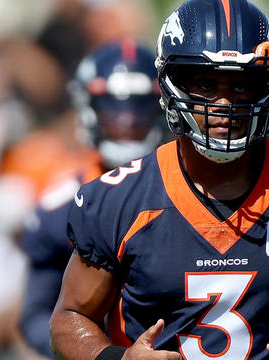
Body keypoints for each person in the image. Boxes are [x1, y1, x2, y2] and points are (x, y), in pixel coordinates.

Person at [49, 1, 269, 360]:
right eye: (206, 84)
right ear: (172, 85)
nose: (224, 102)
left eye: (242, 85)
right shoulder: (119, 201)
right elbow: (70, 317)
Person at [19, 39, 165, 358]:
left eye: (139, 109)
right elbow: (36, 316)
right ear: (87, 110)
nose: (127, 122)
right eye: (114, 109)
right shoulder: (56, 209)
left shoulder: (192, 188)